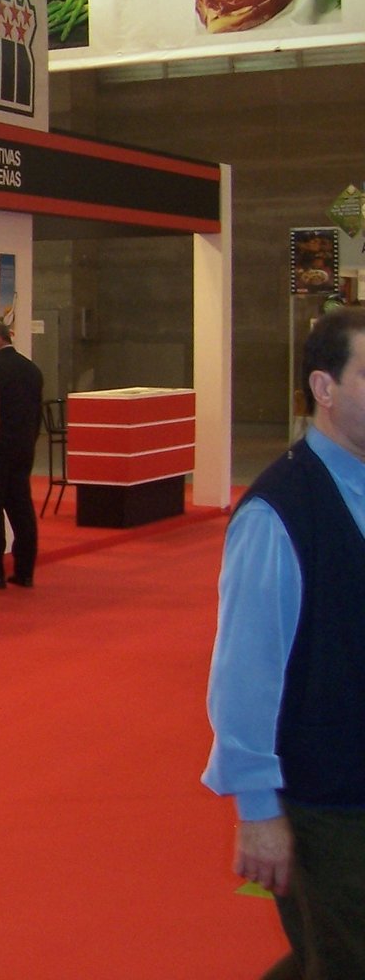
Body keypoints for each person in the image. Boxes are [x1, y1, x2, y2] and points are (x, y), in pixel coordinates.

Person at [204, 307, 365, 979]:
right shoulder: (279, 510)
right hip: (328, 798)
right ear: (325, 388)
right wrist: (258, 808)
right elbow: (245, 671)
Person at [0, 319, 43, 588]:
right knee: (22, 510)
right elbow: (36, 415)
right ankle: (25, 571)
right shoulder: (32, 370)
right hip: (23, 449)